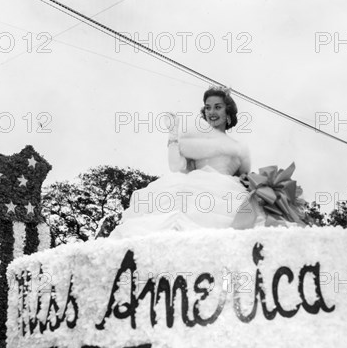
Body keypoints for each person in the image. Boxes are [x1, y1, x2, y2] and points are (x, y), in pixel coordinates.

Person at [109, 86, 260, 238]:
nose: (211, 112)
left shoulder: (239, 147)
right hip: (192, 188)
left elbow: (245, 179)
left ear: (228, 112)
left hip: (224, 194)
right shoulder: (195, 140)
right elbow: (176, 167)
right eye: (208, 108)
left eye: (218, 107)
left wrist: (248, 180)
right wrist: (173, 135)